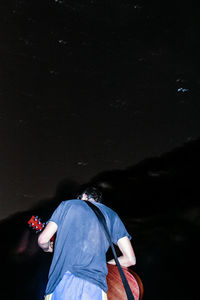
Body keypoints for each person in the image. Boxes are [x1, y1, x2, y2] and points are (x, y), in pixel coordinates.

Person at [38, 187, 136, 300]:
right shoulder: (112, 215)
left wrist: (48, 249)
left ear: (83, 196)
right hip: (97, 288)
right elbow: (130, 259)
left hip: (65, 282)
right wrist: (102, 264)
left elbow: (43, 240)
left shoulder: (69, 205)